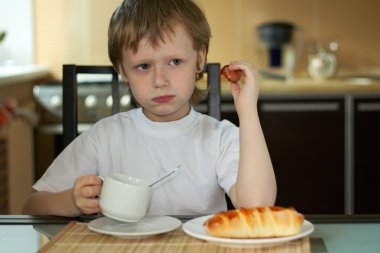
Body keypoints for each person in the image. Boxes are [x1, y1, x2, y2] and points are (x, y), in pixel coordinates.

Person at [22, 0, 276, 217]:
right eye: (143, 66)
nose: (160, 81)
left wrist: (248, 111)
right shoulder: (104, 137)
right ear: (122, 70)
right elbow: (31, 207)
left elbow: (258, 206)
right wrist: (71, 201)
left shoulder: (220, 137)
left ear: (199, 59)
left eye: (175, 62)